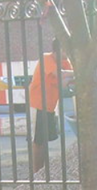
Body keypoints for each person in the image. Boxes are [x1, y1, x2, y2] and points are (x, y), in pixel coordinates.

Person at [28, 38, 74, 175]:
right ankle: (37, 173)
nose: (69, 52)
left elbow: (67, 81)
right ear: (58, 50)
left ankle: (42, 171)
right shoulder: (46, 58)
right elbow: (62, 75)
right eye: (66, 49)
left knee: (45, 139)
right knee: (38, 141)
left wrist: (71, 75)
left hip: (50, 105)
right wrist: (77, 72)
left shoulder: (65, 62)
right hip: (38, 104)